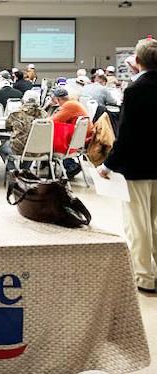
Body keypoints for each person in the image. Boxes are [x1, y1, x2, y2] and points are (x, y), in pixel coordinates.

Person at [98, 38, 157, 293]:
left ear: (138, 61)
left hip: (137, 167)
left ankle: (144, 277)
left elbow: (128, 135)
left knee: (138, 224)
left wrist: (107, 166)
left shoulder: (135, 91)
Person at [0, 90, 48, 171]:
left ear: (23, 100)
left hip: (19, 149)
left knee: (2, 148)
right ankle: (25, 171)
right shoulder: (44, 114)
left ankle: (13, 171)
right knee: (31, 144)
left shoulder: (16, 113)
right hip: (39, 150)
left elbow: (7, 127)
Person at [52, 87, 89, 178]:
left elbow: (52, 121)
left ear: (58, 99)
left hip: (75, 140)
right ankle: (70, 165)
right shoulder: (74, 103)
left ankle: (70, 166)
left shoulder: (69, 106)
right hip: (79, 138)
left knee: (51, 140)